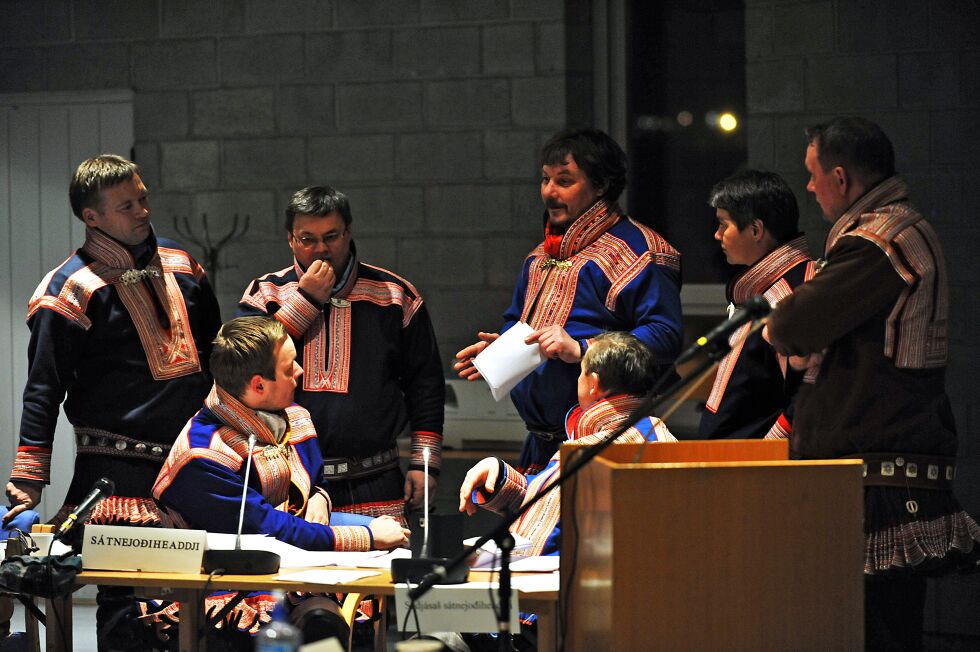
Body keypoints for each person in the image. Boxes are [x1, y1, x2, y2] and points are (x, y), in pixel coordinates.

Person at [765, 117, 980, 651]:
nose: (810, 188)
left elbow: (792, 326)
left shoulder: (880, 240)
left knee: (875, 632)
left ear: (841, 177)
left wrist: (777, 324)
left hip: (878, 470)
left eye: (814, 175)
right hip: (868, 465)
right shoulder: (882, 233)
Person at [1, 154, 222, 650]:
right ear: (92, 217)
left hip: (194, 464)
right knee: (126, 610)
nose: (142, 211)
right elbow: (43, 387)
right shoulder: (69, 290)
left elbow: (214, 363)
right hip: (114, 476)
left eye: (143, 198)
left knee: (207, 601)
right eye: (126, 205)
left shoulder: (185, 266)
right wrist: (28, 479)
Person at [150, 316, 409, 644]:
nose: (300, 371)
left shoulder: (292, 415)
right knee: (323, 616)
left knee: (392, 546)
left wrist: (319, 497)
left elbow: (316, 482)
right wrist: (365, 538)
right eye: (289, 369)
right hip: (228, 576)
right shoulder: (202, 455)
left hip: (285, 553)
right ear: (258, 385)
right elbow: (270, 528)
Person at [455, 128, 682, 475]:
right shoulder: (539, 257)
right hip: (540, 444)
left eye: (564, 180)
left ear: (602, 184)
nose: (549, 192)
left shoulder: (642, 251)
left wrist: (582, 348)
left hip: (610, 445)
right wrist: (499, 352)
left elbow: (666, 336)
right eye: (545, 179)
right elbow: (517, 320)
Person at [237, 186, 445, 526]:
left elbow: (427, 386)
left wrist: (426, 466)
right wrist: (305, 301)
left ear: (348, 232)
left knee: (379, 578)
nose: (321, 249)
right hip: (291, 482)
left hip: (377, 479)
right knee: (297, 580)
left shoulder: (394, 295)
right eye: (307, 239)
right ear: (290, 239)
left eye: (331, 236)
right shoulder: (265, 293)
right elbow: (243, 372)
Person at [458, 332, 675, 557]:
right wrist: (499, 474)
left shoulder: (588, 452)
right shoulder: (665, 439)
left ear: (593, 383)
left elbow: (544, 537)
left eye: (581, 373)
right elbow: (550, 499)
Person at [694, 170, 816, 440]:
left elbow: (808, 395)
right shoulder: (769, 288)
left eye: (724, 224)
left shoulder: (788, 295)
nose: (717, 235)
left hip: (759, 470)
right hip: (738, 464)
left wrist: (767, 451)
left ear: (756, 230)